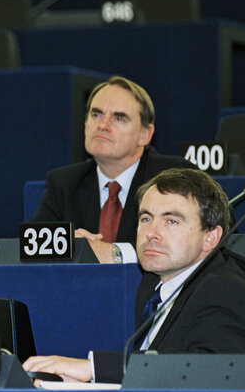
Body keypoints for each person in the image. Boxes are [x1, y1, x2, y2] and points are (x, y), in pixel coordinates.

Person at [23, 168, 245, 384]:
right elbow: (156, 380)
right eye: (146, 218)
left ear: (211, 237)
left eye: (171, 221)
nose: (152, 233)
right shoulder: (154, 283)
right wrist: (88, 388)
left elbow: (216, 371)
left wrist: (94, 369)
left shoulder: (224, 288)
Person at [32, 76, 193, 263]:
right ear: (85, 126)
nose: (102, 125)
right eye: (96, 115)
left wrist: (117, 252)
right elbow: (29, 250)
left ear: (144, 135)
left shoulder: (175, 176)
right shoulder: (64, 183)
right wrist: (68, 244)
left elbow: (211, 236)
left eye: (119, 118)